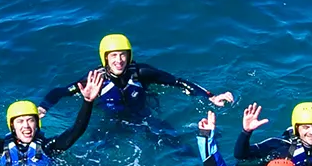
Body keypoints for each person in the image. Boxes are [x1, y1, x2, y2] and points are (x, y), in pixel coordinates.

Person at [41, 34, 233, 118]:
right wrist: (43, 107)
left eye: (123, 55)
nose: (119, 60)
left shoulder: (141, 72)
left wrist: (210, 96)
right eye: (113, 56)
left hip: (143, 116)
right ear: (105, 58)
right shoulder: (96, 79)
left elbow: (177, 82)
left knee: (173, 142)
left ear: (129, 55)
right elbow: (60, 91)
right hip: (111, 120)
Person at [0, 73, 104, 166]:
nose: (26, 126)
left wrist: (88, 102)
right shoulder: (1, 147)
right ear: (12, 126)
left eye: (30, 120)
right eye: (20, 121)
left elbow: (77, 130)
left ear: (37, 124)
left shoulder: (48, 147)